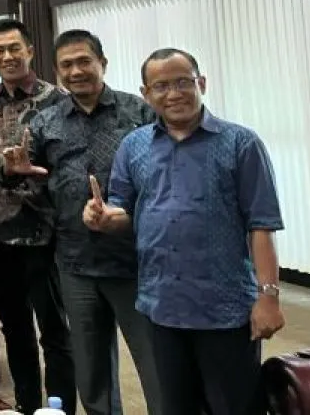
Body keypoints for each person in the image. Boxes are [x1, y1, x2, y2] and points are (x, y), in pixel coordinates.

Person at [86, 48, 284, 414]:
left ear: (201, 84)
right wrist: (103, 217)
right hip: (161, 306)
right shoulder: (134, 146)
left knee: (235, 406)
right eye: (161, 86)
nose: (174, 94)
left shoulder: (240, 143)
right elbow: (123, 210)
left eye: (183, 82)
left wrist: (268, 297)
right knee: (175, 406)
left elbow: (262, 224)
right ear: (146, 94)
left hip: (224, 308)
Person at [2, 30, 161, 414]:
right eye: (67, 65)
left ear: (102, 63)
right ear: (58, 72)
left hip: (136, 261)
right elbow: (21, 172)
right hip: (76, 262)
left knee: (156, 364)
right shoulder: (46, 121)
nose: (76, 71)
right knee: (92, 372)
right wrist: (11, 170)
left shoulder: (139, 113)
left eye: (84, 61)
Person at [0, 19, 76, 414]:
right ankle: (27, 407)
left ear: (30, 50)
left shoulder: (58, 100)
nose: (8, 56)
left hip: (46, 234)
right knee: (15, 331)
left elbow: (69, 165)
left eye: (15, 48)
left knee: (55, 333)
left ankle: (59, 410)